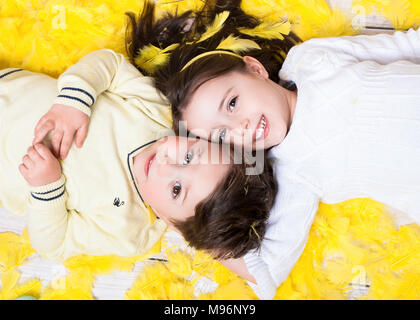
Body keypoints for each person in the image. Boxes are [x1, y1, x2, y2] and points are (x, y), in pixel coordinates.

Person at [126, 0, 420, 299]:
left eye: (232, 103)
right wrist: (186, 227)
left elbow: (407, 46)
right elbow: (265, 278)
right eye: (223, 135)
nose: (240, 125)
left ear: (254, 69)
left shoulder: (309, 60)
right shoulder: (293, 172)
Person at [0, 47, 277, 262]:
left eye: (177, 190)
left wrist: (47, 188)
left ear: (172, 225)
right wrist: (74, 102)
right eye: (189, 157)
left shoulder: (130, 230)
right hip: (9, 90)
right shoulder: (156, 113)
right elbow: (111, 65)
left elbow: (54, 244)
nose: (165, 165)